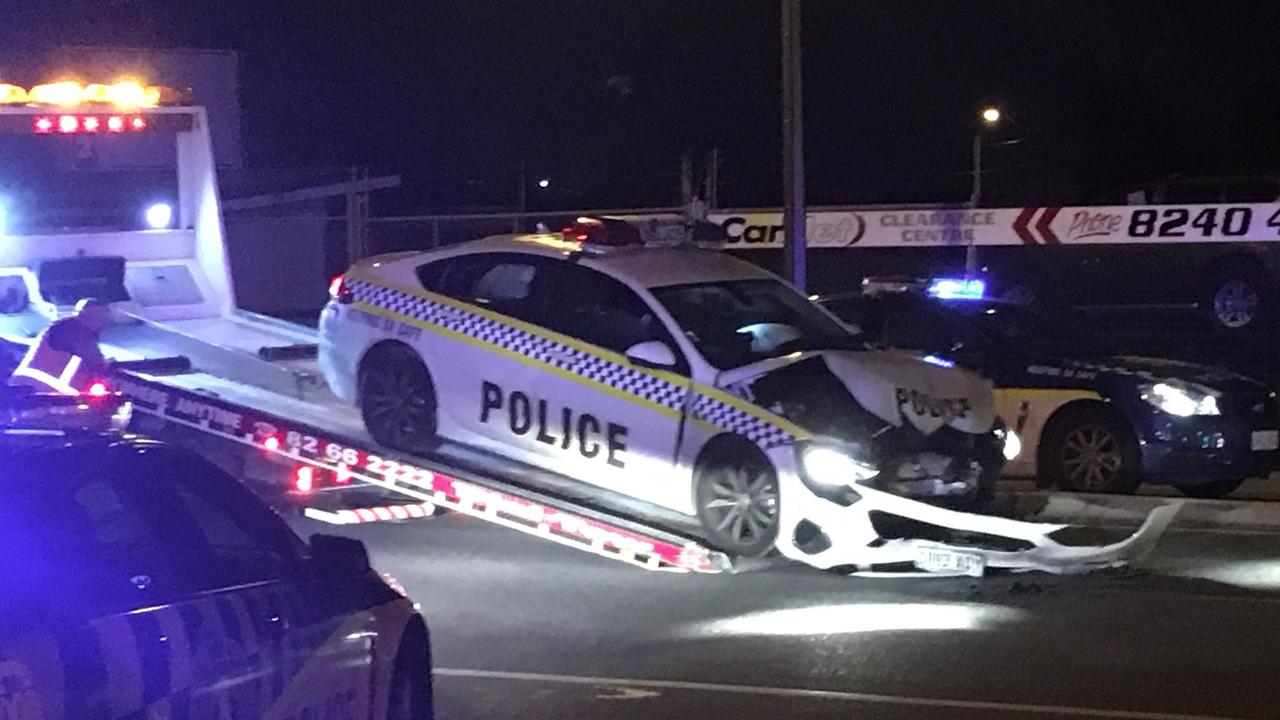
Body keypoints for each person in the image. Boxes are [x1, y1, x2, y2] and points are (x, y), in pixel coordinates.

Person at [8, 298, 113, 394]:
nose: (101, 325)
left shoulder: (63, 328)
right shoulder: (75, 330)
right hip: (40, 391)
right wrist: (111, 368)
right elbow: (94, 359)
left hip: (32, 389)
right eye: (99, 319)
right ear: (85, 316)